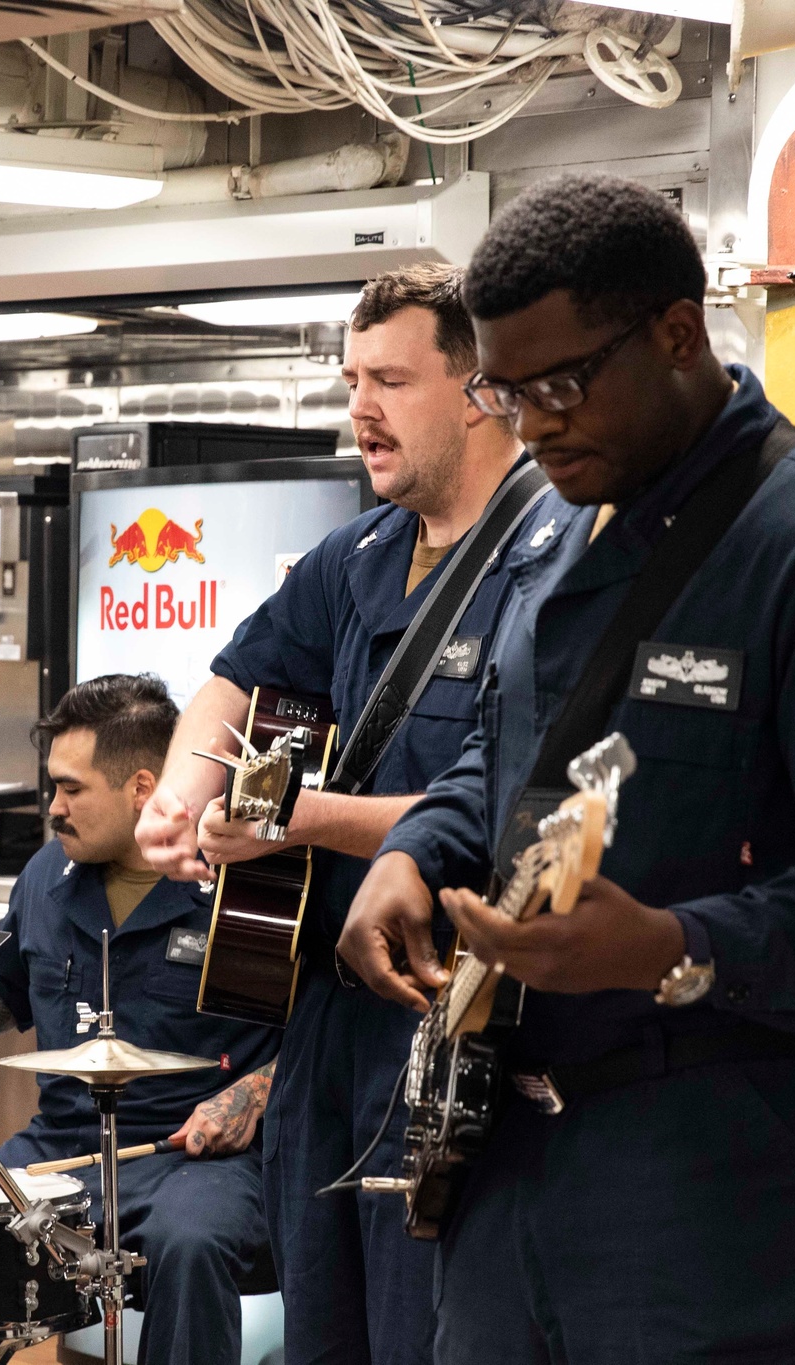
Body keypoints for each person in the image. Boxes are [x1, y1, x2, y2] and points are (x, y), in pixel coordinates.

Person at [342, 174, 795, 1365]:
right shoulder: (542, 516)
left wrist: (672, 946)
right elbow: (507, 741)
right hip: (509, 1164)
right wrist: (417, 849)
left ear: (678, 334)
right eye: (504, 391)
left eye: (563, 385)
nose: (532, 424)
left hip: (721, 1191)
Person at [135, 262, 552, 1365]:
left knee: (429, 1327)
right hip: (318, 1021)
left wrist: (302, 819)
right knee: (323, 1324)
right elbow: (234, 676)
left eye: (391, 380)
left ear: (478, 391)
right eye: (350, 379)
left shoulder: (546, 560)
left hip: (450, 1014)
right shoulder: (356, 553)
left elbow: (504, 805)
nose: (358, 408)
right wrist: (182, 795)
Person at [0, 673, 280, 1365]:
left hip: (194, 1156)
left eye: (71, 788)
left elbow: (321, 1036)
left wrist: (255, 1093)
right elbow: (1, 986)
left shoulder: (240, 888)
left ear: (143, 789)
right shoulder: (46, 875)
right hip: (64, 1143)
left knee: (191, 1242)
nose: (53, 806)